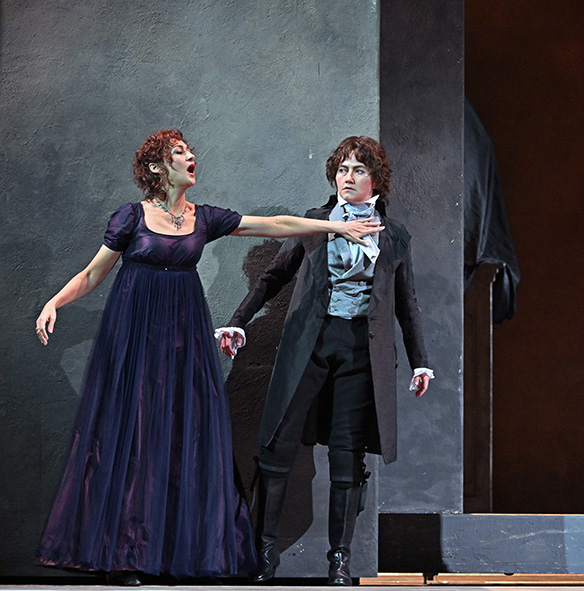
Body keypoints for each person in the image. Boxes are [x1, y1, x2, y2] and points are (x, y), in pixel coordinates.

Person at [34, 129, 382, 586]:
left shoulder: (204, 218)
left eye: (190, 150)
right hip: (134, 340)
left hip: (184, 341)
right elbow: (92, 273)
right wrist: (55, 302)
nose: (190, 156)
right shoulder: (131, 217)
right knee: (134, 437)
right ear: (157, 167)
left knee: (182, 437)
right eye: (179, 153)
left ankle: (173, 551)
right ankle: (126, 553)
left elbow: (275, 225)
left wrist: (335, 226)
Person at [216, 136, 433, 586]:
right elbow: (273, 277)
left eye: (358, 170)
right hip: (310, 343)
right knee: (277, 446)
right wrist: (238, 321)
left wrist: (420, 362)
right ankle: (264, 553)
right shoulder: (316, 222)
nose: (347, 178)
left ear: (376, 180)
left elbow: (406, 302)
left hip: (360, 350)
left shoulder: (394, 236)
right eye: (341, 170)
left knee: (347, 454)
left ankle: (340, 561)